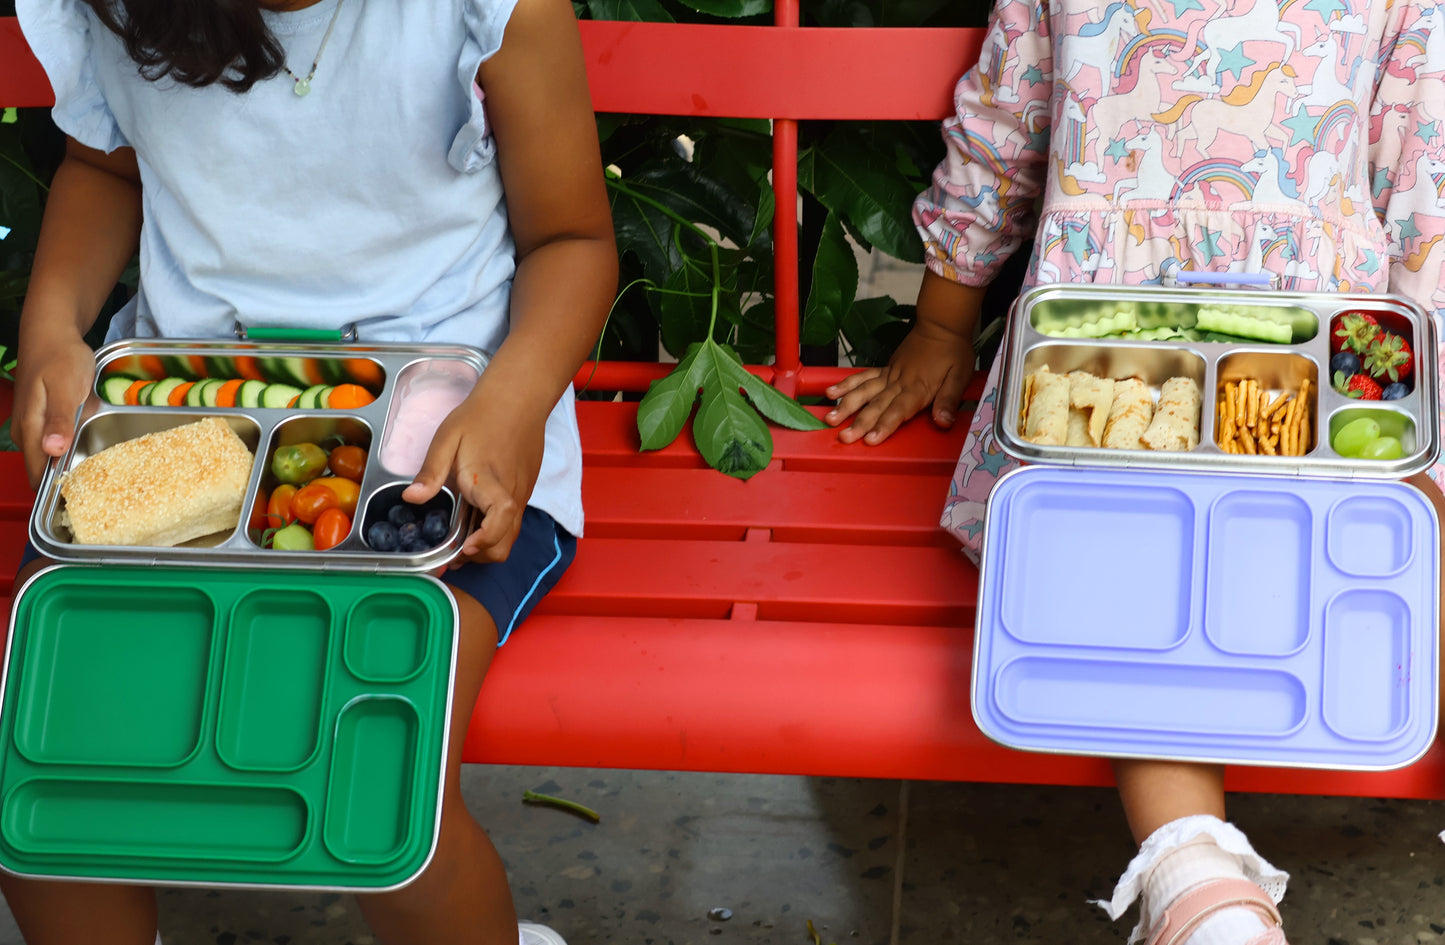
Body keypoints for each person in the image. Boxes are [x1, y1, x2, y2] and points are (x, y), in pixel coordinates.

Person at [825, 0, 1445, 941]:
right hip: (1102, 362)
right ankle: (1193, 871)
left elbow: (1420, 179)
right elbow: (1002, 132)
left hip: (1327, 363)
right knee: (1125, 591)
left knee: (1390, 549)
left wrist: (1408, 415)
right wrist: (940, 325)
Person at [9, 0, 618, 941]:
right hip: (184, 410)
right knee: (42, 782)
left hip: (450, 436)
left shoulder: (487, 13)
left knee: (371, 792)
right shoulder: (117, 11)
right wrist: (53, 325)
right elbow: (102, 166)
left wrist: (516, 398)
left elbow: (572, 240)